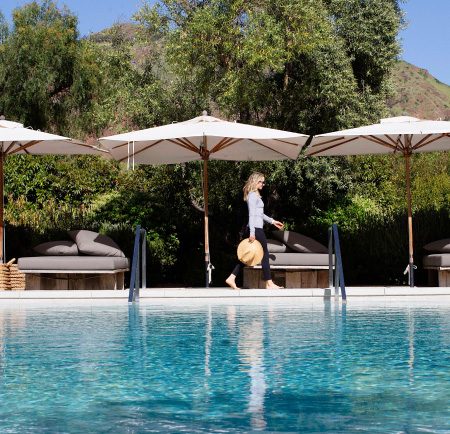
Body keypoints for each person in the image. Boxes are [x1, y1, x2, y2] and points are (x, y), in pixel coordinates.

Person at [226, 172, 284, 290]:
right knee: (264, 254)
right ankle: (269, 283)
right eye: (261, 181)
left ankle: (231, 278)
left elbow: (260, 214)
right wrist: (252, 232)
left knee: (249, 255)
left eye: (263, 182)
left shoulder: (255, 196)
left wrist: (272, 221)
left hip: (255, 228)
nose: (263, 184)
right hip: (255, 229)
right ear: (255, 181)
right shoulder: (252, 196)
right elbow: (252, 215)